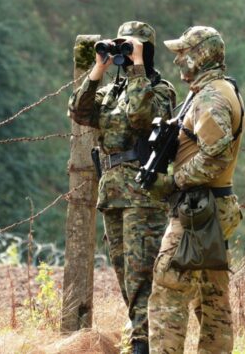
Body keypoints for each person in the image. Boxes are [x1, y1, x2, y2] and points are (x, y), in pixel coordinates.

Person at [68, 21, 176, 354]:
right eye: (123, 48)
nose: (126, 55)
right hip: (113, 193)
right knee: (124, 278)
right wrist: (98, 69)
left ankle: (143, 345)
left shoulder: (160, 89)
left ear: (147, 51)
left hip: (143, 194)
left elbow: (143, 118)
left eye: (132, 47)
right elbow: (79, 111)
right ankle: (143, 338)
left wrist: (139, 66)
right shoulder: (111, 92)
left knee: (142, 277)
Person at [147, 26, 245, 354]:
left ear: (200, 56)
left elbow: (215, 158)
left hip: (199, 211)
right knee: (212, 298)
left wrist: (174, 181)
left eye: (183, 54)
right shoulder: (218, 90)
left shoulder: (211, 97)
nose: (178, 62)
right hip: (213, 207)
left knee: (168, 291)